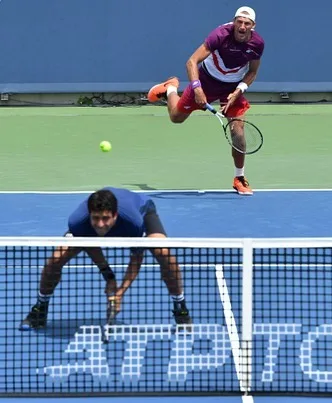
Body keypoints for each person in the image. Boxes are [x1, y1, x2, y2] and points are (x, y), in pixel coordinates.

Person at [19, 187, 191, 330]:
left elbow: (136, 258)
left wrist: (120, 293)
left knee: (164, 254)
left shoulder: (133, 222)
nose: (100, 225)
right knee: (55, 260)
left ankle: (180, 306)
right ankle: (40, 308)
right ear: (89, 214)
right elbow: (91, 246)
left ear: (115, 215)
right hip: (91, 229)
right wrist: (108, 276)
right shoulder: (78, 222)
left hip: (143, 208)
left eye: (105, 218)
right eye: (96, 218)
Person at [147, 6, 265, 196]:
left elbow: (252, 72)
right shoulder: (220, 35)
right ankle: (170, 88)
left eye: (247, 24)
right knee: (176, 117)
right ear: (234, 22)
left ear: (253, 26)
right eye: (239, 22)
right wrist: (197, 87)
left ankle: (239, 178)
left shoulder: (257, 44)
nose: (242, 27)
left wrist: (238, 91)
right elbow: (192, 61)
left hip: (232, 87)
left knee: (238, 132)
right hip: (207, 80)